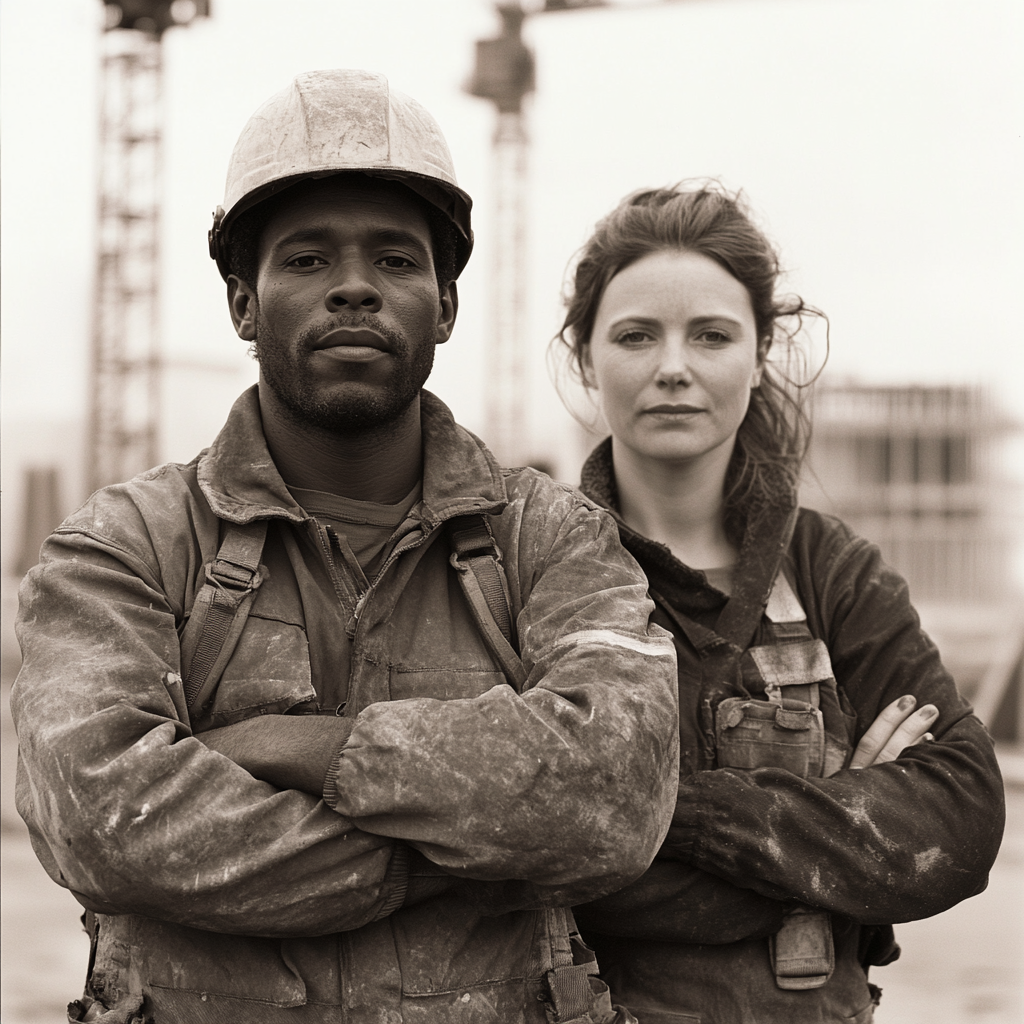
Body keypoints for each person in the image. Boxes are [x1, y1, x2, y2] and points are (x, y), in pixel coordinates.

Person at [12, 70, 681, 1024]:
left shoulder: (550, 538)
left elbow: (616, 796)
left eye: (397, 262)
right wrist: (468, 852)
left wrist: (304, 748)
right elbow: (102, 822)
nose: (356, 288)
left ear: (446, 307)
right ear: (244, 306)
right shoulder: (124, 546)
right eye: (308, 260)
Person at [556, 183, 1005, 1022]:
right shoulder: (530, 568)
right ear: (587, 358)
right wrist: (835, 835)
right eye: (636, 336)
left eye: (712, 335)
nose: (674, 367)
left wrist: (656, 816)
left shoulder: (833, 573)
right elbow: (524, 857)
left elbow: (961, 819)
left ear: (759, 354)